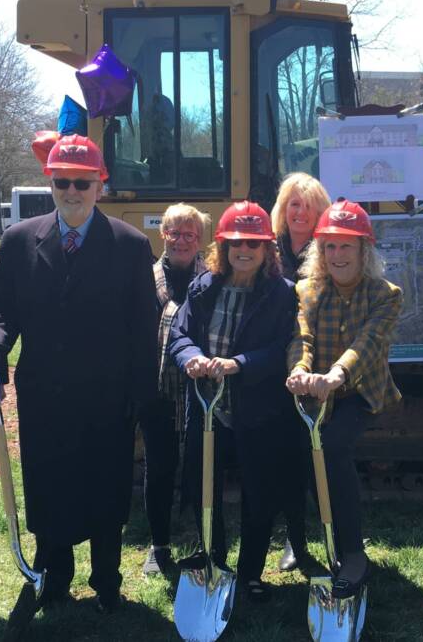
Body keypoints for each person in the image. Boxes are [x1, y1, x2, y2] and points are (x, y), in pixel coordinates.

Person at [0, 134, 158, 626]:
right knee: (49, 484)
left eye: (82, 182)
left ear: (100, 184)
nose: (72, 191)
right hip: (45, 394)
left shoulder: (130, 244)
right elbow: (2, 309)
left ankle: (107, 581)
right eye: (63, 182)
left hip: (107, 395)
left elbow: (144, 329)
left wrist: (142, 396)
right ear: (50, 183)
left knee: (105, 487)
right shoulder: (19, 241)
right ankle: (53, 576)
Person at [167, 201, 297, 602]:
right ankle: (213, 559)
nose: (244, 251)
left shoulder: (281, 294)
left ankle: (251, 572)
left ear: (267, 250)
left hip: (258, 409)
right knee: (201, 486)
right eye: (236, 243)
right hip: (208, 409)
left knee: (259, 492)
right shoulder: (204, 287)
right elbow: (179, 333)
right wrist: (191, 357)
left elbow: (283, 349)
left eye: (254, 245)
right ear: (222, 247)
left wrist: (239, 363)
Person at [285, 201, 403, 598]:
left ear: (363, 251)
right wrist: (300, 370)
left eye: (346, 247)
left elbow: (368, 343)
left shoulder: (386, 294)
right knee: (298, 452)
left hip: (359, 391)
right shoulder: (307, 290)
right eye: (330, 247)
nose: (337, 256)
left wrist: (336, 375)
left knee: (332, 447)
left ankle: (353, 552)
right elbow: (301, 337)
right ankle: (298, 542)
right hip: (315, 388)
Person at [139, 203, 211, 577]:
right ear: (162, 235)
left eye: (190, 234)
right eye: (174, 233)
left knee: (201, 466)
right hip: (158, 389)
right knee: (160, 465)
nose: (182, 240)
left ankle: (205, 541)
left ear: (200, 239)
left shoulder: (214, 281)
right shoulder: (144, 280)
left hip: (203, 390)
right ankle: (159, 543)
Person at [269, 172, 332, 571]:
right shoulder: (268, 250)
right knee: (287, 456)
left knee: (318, 455)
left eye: (308, 206)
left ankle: (332, 533)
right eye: (294, 204)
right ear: (283, 209)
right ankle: (295, 540)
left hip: (317, 363)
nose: (300, 212)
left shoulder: (328, 251)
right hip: (273, 361)